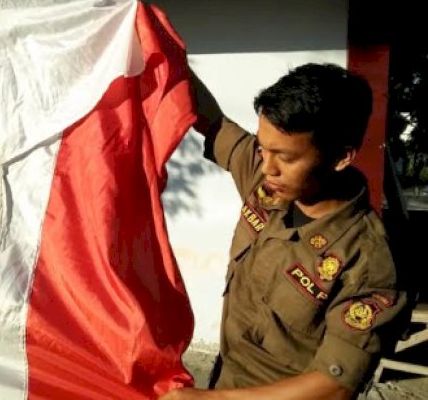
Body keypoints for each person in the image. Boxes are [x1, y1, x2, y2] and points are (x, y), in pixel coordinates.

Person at [159, 64, 410, 400]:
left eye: (286, 158)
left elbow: (334, 385)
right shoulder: (268, 178)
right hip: (226, 380)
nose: (267, 168)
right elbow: (211, 119)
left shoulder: (368, 261)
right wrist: (159, 50)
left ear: (341, 157)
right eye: (263, 149)